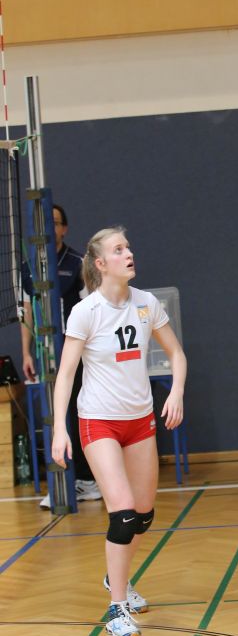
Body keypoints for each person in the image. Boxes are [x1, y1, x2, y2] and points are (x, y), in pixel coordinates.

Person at [51, 227, 186, 636]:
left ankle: (117, 578)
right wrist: (59, 429)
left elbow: (176, 353)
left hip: (140, 421)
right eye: (118, 249)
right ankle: (117, 608)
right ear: (100, 263)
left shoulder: (146, 303)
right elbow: (66, 374)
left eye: (128, 247)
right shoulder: (86, 312)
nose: (129, 253)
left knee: (143, 516)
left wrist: (176, 392)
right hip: (99, 421)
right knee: (123, 513)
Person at [21, 203, 102, 508]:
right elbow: (27, 310)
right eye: (44, 222)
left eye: (54, 222)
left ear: (64, 228)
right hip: (46, 353)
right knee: (53, 415)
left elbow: (94, 308)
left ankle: (86, 480)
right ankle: (60, 481)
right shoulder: (28, 267)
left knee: (78, 412)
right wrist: (27, 352)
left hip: (76, 351)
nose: (49, 227)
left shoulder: (77, 263)